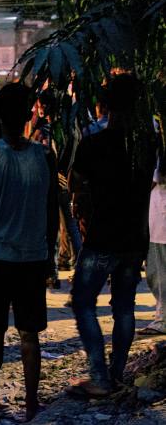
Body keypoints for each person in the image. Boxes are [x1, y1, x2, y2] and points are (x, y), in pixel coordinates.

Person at [0, 83, 59, 423]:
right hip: (32, 257)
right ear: (28, 116)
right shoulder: (45, 156)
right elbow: (51, 211)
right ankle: (32, 405)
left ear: (0, 116)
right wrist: (49, 256)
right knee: (29, 335)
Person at [68, 74, 156, 396]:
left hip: (103, 235)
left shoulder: (95, 141)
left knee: (83, 301)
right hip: (135, 237)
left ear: (107, 104)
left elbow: (75, 182)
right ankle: (116, 373)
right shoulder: (149, 143)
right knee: (124, 306)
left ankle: (100, 377)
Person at [139, 157, 166, 335]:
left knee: (158, 273)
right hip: (158, 218)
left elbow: (154, 178)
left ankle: (163, 319)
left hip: (161, 221)